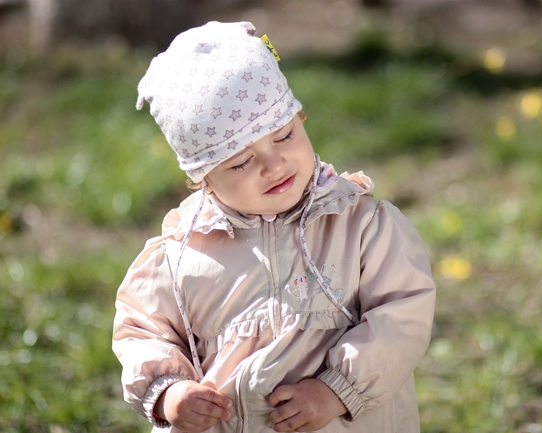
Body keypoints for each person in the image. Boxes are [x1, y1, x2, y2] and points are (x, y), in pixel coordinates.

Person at [112, 21, 436, 433]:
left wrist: (336, 392)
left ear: (300, 118)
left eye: (284, 136)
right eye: (241, 162)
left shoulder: (363, 227)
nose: (273, 164)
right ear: (203, 179)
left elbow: (402, 314)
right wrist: (168, 391)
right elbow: (141, 327)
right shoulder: (181, 253)